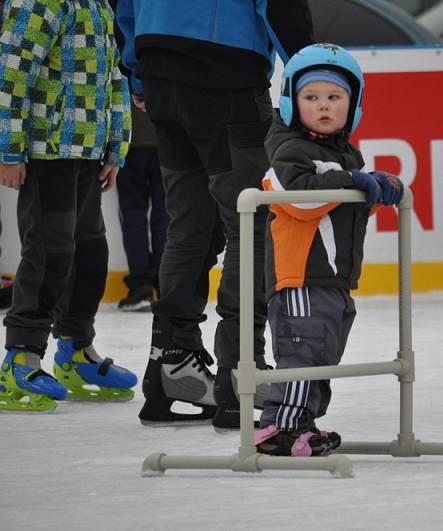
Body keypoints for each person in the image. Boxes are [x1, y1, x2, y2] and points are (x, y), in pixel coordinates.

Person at [116, 0, 315, 427]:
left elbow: (125, 8)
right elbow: (283, 8)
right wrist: (312, 75)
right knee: (252, 223)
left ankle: (173, 361)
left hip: (160, 74)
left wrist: (137, 69)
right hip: (226, 78)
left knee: (190, 225)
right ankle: (241, 371)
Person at [253, 43, 404, 457]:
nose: (323, 106)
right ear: (290, 102)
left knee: (322, 355)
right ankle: (277, 429)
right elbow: (300, 199)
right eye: (311, 97)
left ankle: (302, 424)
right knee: (303, 354)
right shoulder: (288, 150)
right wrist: (355, 181)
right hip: (300, 276)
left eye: (334, 97)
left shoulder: (344, 153)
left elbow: (343, 211)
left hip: (334, 279)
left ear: (352, 104)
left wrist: (372, 189)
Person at [0, 0, 136, 412]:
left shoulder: (98, 4)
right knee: (49, 255)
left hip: (88, 150)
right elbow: (12, 70)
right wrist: (10, 150)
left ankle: (76, 352)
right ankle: (20, 357)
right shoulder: (38, 1)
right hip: (47, 150)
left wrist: (116, 146)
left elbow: (115, 77)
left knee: (91, 255)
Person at [116, 104, 167, 312]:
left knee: (132, 217)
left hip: (130, 142)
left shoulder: (125, 69)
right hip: (165, 142)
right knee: (165, 216)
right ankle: (165, 282)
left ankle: (140, 285)